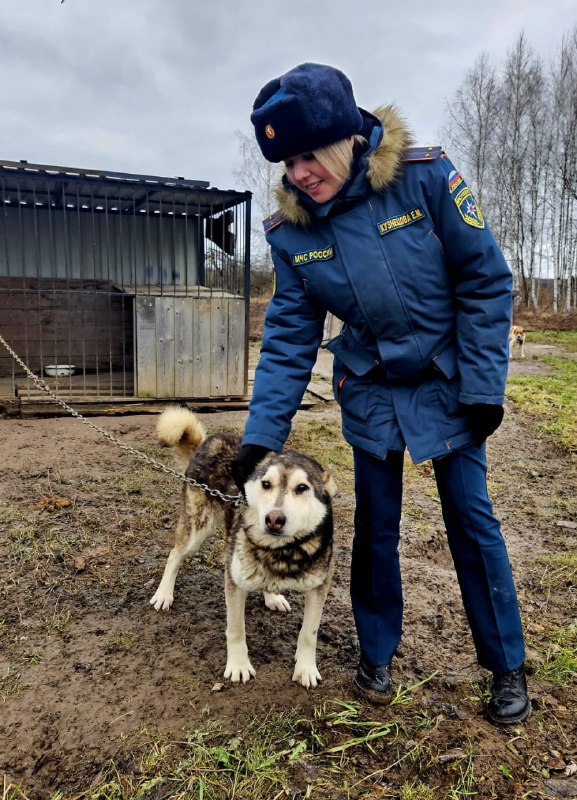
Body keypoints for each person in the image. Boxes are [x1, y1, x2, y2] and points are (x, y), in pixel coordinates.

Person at [231, 62, 530, 725]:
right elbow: (287, 336)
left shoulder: (424, 177)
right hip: (368, 387)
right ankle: (376, 652)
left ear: (344, 139)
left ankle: (504, 663)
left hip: (449, 381)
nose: (298, 172)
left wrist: (484, 386)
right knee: (375, 528)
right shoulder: (291, 232)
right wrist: (261, 436)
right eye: (284, 160)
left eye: (308, 154)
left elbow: (483, 280)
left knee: (471, 522)